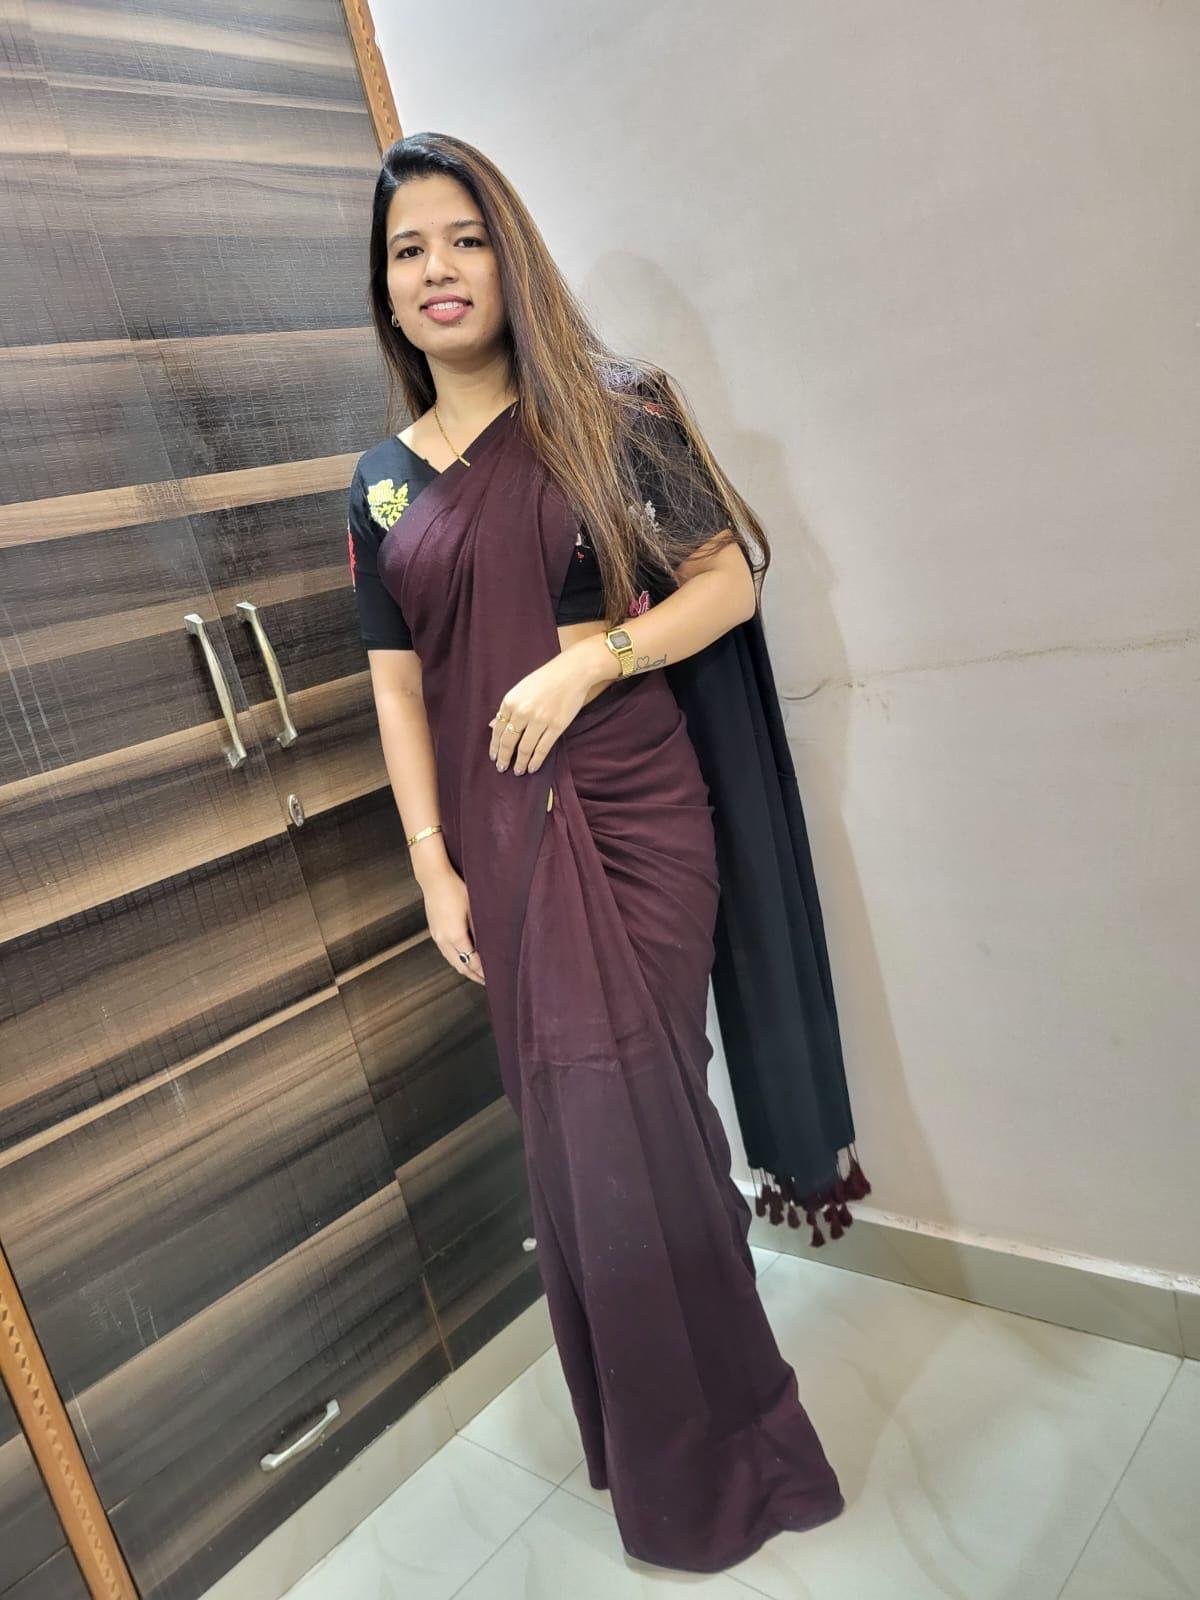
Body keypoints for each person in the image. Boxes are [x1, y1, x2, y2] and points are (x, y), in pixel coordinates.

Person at [346, 130, 863, 1574]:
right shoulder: (380, 488)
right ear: (384, 289)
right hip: (498, 845)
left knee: (653, 1120)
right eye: (408, 250)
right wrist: (432, 866)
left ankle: (735, 1447)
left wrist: (593, 662)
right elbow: (398, 691)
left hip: (636, 813)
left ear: (508, 254)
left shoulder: (608, 410)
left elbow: (727, 582)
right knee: (579, 1148)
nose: (439, 270)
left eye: (465, 237)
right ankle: (658, 1438)